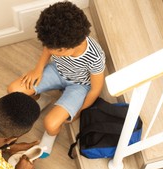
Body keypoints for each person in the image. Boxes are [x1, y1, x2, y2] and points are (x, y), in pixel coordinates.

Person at [7, 1, 106, 158]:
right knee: (14, 90)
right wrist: (38, 69)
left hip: (79, 86)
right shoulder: (56, 41)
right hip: (57, 71)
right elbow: (48, 49)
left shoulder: (95, 56)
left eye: (57, 51)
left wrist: (81, 111)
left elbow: (95, 89)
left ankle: (50, 136)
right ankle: (40, 100)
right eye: (49, 47)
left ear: (75, 44)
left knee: (50, 124)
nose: (52, 52)